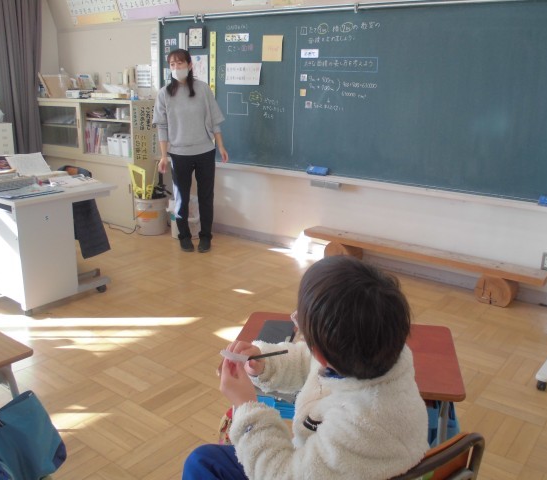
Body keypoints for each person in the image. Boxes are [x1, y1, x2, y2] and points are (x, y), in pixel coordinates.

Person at [182, 255, 429, 479]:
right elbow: (309, 361)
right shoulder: (374, 347)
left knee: (200, 466)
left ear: (320, 352)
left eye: (301, 323)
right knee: (203, 460)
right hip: (320, 462)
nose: (297, 324)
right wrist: (265, 363)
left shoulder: (360, 426)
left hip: (302, 469)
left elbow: (281, 474)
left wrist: (246, 408)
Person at [153, 48, 228, 253]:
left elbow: (214, 120)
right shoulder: (164, 93)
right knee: (181, 198)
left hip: (205, 151)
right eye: (172, 64)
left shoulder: (203, 89)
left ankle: (205, 237)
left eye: (180, 63)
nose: (176, 67)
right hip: (179, 154)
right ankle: (184, 236)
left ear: (189, 65)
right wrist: (164, 156)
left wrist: (220, 145)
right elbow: (162, 126)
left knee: (206, 197)